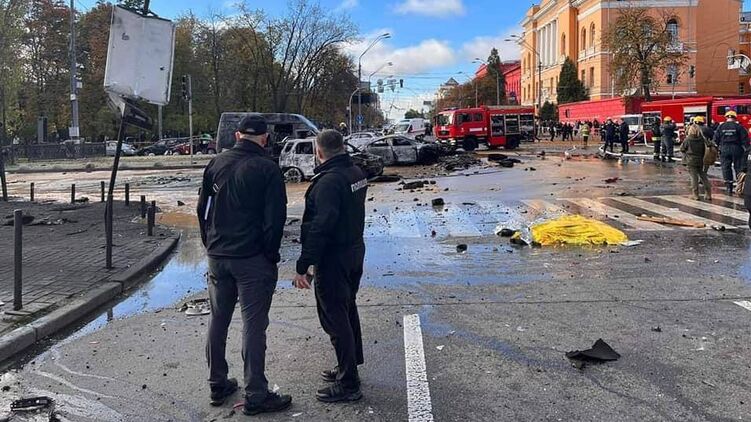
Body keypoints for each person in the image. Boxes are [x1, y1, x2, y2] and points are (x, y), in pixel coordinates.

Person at [197, 115, 292, 416]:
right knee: (253, 324)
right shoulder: (267, 168)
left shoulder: (216, 163)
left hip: (218, 256)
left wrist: (210, 243)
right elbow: (275, 219)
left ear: (237, 135)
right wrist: (270, 254)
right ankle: (256, 394)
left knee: (218, 319)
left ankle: (217, 382)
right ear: (265, 138)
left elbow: (202, 210)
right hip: (251, 259)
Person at [293, 129, 368, 403]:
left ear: (319, 151)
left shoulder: (329, 182)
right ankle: (349, 364)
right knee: (347, 310)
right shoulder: (355, 172)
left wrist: (304, 264)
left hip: (334, 257)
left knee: (335, 319)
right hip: (354, 251)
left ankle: (349, 384)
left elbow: (321, 226)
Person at [713, 110, 750, 195]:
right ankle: (740, 186)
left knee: (726, 168)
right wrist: (747, 151)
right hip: (737, 149)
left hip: (724, 149)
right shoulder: (739, 127)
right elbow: (745, 140)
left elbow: (715, 140)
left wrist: (717, 149)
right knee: (738, 167)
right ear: (735, 118)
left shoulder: (721, 127)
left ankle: (729, 187)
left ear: (726, 117)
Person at [680, 120, 713, 201]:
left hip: (690, 160)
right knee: (703, 176)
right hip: (700, 159)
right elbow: (709, 145)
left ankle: (695, 195)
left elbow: (682, 148)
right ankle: (708, 193)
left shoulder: (688, 139)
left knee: (694, 178)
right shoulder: (702, 139)